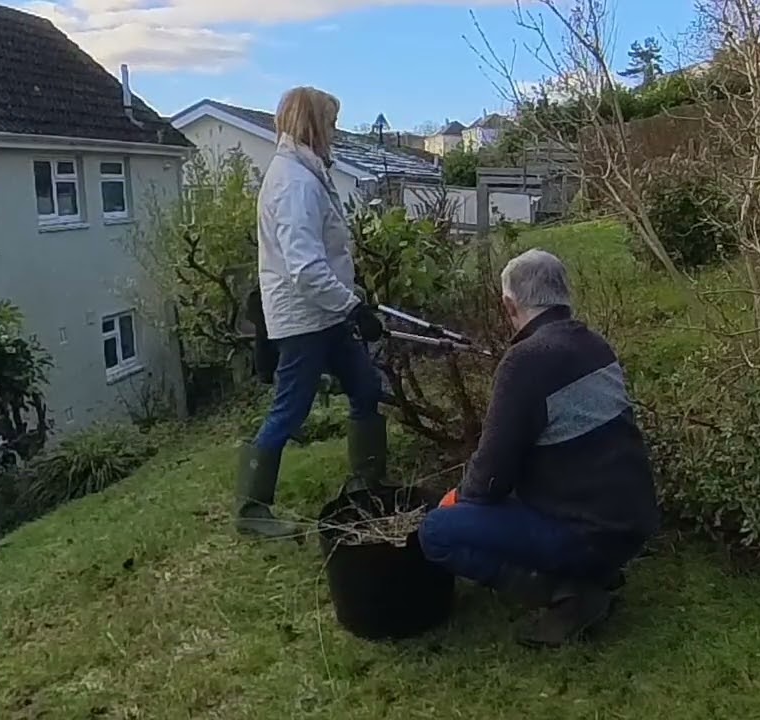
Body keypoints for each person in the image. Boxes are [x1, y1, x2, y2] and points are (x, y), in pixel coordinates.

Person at [419, 249, 659, 647]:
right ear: (564, 294)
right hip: (630, 523)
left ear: (509, 304)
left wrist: (457, 497)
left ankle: (569, 594)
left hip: (587, 532)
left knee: (437, 532)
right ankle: (591, 573)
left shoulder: (526, 361)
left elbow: (491, 477)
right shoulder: (596, 345)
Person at [237, 86, 386, 539]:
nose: (336, 133)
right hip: (305, 318)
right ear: (315, 124)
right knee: (290, 410)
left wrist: (351, 297)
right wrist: (351, 306)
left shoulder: (305, 172)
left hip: (326, 313)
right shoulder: (294, 183)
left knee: (365, 386)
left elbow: (326, 252)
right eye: (332, 123)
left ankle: (366, 482)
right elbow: (304, 267)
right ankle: (251, 510)